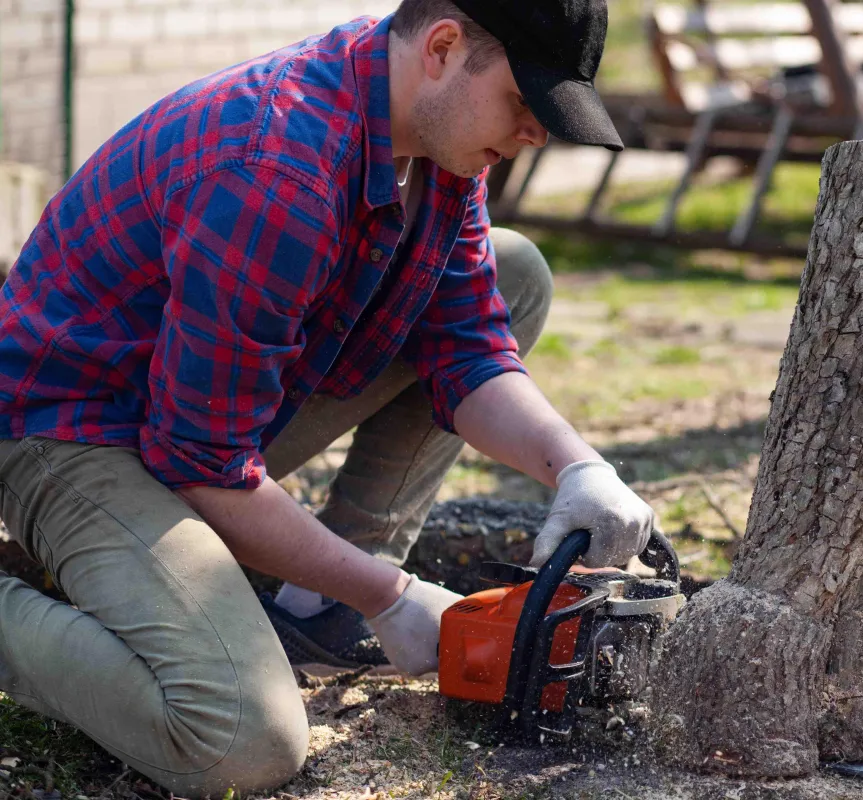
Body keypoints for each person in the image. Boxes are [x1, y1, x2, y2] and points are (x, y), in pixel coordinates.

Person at [0, 0, 656, 794]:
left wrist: (580, 468)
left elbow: (467, 344)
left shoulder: (431, 137)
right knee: (239, 740)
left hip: (199, 412)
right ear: (445, 47)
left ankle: (316, 605)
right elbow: (200, 459)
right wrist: (392, 595)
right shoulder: (278, 169)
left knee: (514, 273)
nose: (535, 135)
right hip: (72, 435)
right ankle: (337, 587)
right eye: (524, 104)